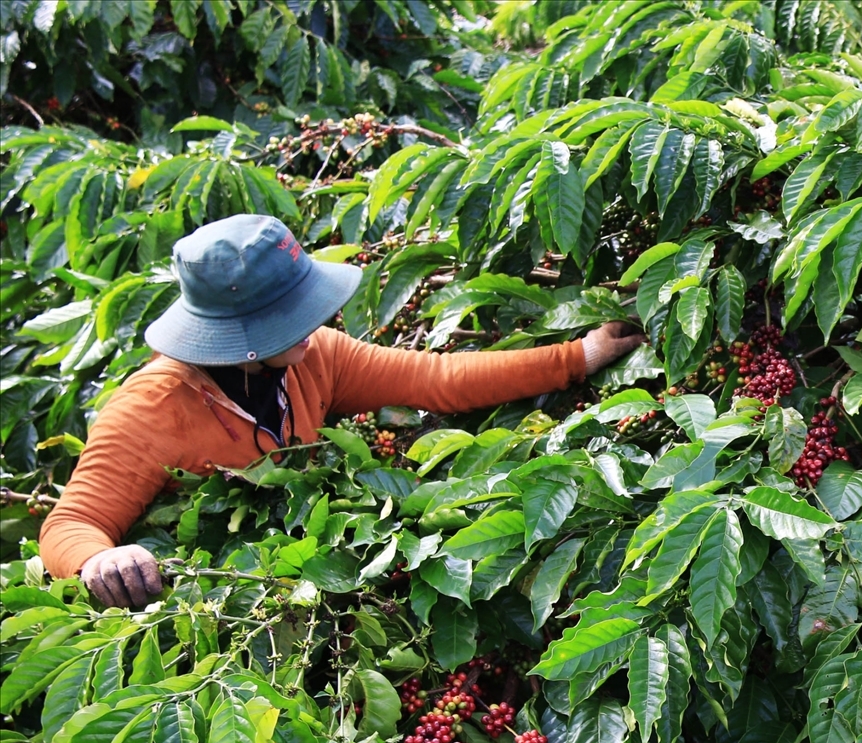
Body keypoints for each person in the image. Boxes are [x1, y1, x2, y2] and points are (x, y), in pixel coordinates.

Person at [38, 214, 646, 608]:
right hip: (220, 605)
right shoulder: (148, 411)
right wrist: (101, 559)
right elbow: (68, 527)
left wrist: (580, 355)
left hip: (316, 583)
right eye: (292, 317)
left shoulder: (314, 357)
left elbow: (436, 379)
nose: (317, 324)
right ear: (239, 333)